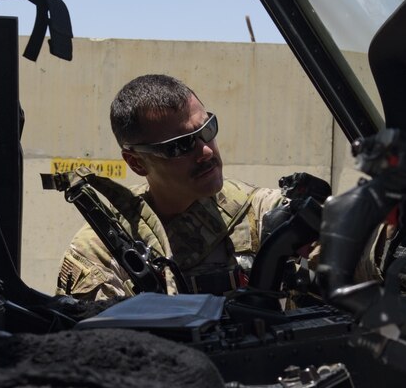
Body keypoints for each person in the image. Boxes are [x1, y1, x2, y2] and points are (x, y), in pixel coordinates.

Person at [56, 74, 286, 300]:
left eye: (207, 129)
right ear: (136, 162)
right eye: (179, 146)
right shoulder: (104, 246)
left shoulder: (258, 211)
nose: (205, 151)